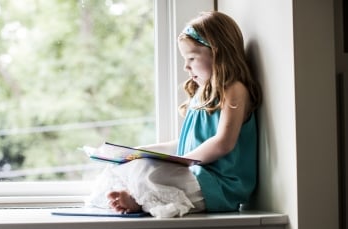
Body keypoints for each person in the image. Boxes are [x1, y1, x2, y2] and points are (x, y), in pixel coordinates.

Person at [87, 11, 261, 217]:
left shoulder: (234, 89)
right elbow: (185, 143)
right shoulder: (201, 93)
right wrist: (137, 152)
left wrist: (182, 162)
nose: (186, 66)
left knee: (157, 173)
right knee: (139, 165)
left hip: (219, 184)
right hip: (197, 174)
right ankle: (137, 196)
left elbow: (223, 142)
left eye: (191, 58)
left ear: (216, 52)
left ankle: (140, 200)